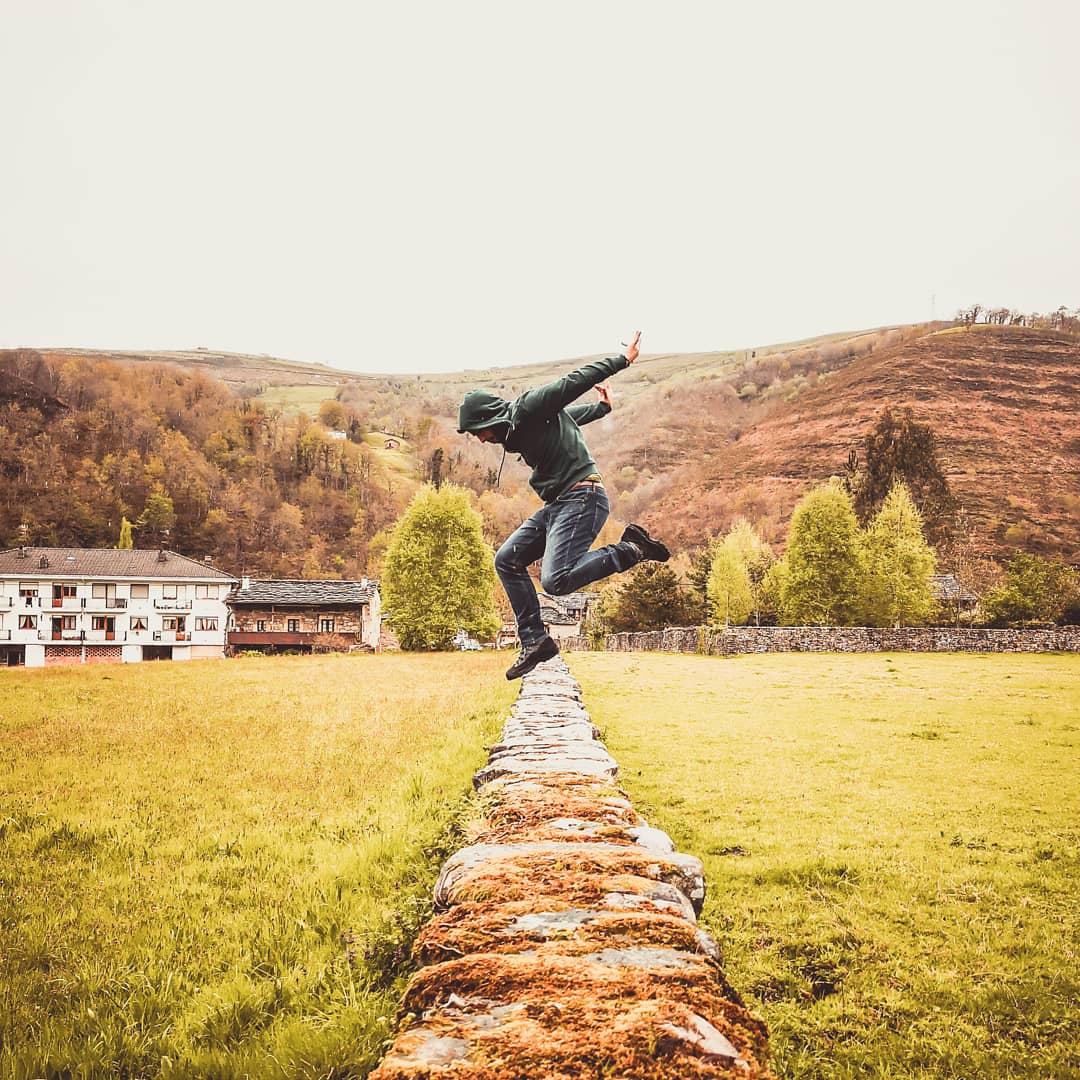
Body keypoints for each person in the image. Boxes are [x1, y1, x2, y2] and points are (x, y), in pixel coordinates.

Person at [457, 331, 670, 680]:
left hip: (582, 496)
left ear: (488, 419)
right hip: (558, 503)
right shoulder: (519, 432)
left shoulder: (528, 408)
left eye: (478, 431)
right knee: (507, 559)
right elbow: (569, 419)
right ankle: (535, 640)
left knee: (556, 581)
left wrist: (622, 361)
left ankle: (632, 549)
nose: (480, 439)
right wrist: (601, 408)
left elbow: (572, 383)